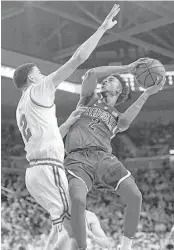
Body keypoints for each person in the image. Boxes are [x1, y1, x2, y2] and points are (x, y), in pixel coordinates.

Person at [14, 4, 120, 249]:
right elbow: (78, 58)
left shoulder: (22, 106)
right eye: (39, 72)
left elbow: (47, 137)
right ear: (31, 77)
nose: (43, 75)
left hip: (38, 171)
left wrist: (69, 122)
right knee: (75, 232)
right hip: (47, 169)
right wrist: (102, 28)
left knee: (73, 228)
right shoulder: (38, 89)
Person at [64, 59, 166, 250]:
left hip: (103, 158)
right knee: (77, 200)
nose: (105, 81)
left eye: (111, 80)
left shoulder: (118, 117)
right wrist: (126, 68)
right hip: (77, 158)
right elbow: (92, 73)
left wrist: (146, 93)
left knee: (135, 196)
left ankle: (125, 247)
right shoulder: (88, 99)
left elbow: (126, 121)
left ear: (119, 90)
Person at [44, 210, 114, 250]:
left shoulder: (89, 216)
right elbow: (51, 241)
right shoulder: (58, 216)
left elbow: (107, 244)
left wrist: (91, 236)